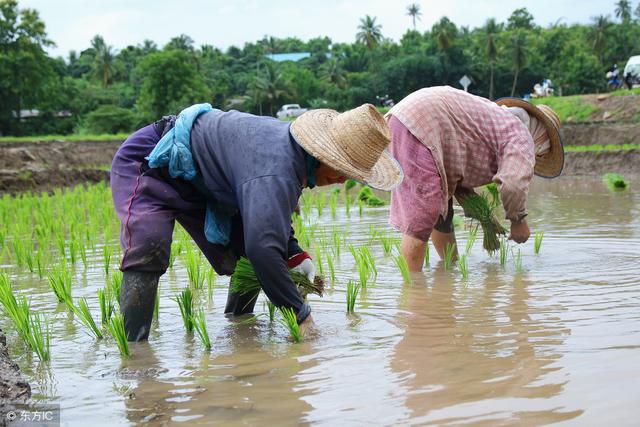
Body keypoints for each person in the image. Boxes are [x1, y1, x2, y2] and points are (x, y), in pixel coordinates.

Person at [110, 103, 402, 341]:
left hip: (202, 182)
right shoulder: (278, 170)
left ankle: (239, 328)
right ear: (320, 152)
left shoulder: (289, 161)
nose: (341, 179)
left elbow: (268, 224)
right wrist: (300, 314)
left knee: (245, 254)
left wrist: (294, 253)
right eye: (341, 168)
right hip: (151, 160)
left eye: (350, 173)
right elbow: (264, 246)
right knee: (149, 244)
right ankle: (134, 351)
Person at [385, 86, 563, 271]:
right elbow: (512, 184)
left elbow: (459, 174)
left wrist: (484, 216)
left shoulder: (500, 124)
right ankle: (413, 291)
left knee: (440, 212)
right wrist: (518, 222)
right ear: (543, 137)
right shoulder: (521, 135)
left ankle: (448, 272)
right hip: (421, 124)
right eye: (542, 152)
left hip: (403, 118)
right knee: (420, 221)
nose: (536, 156)